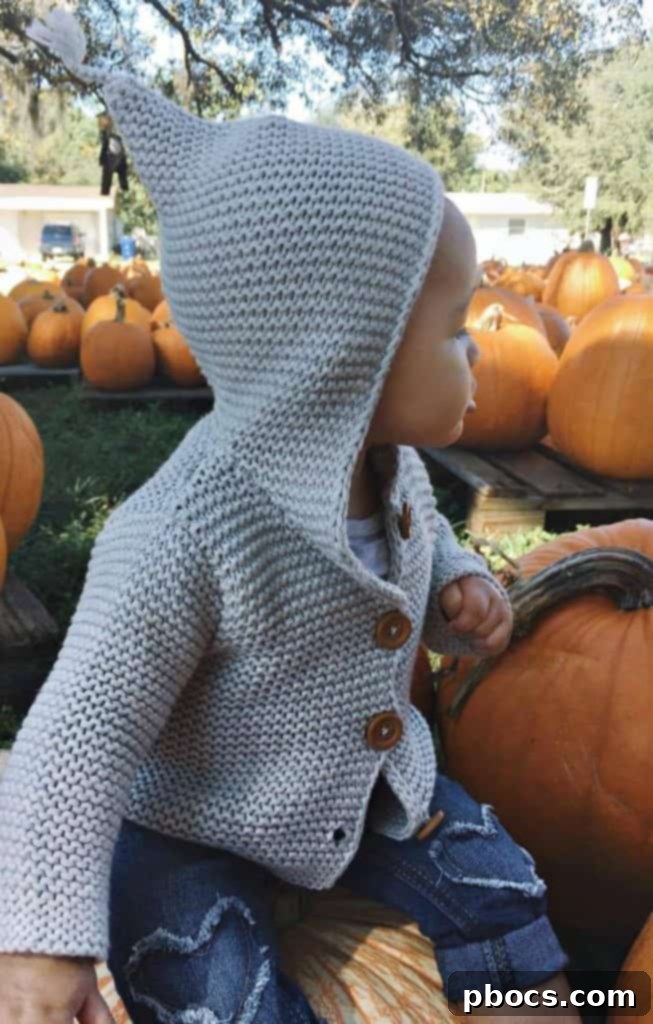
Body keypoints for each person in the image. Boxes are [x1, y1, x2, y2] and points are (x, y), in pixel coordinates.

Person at [1, 9, 581, 1024]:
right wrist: (38, 942)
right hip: (188, 821)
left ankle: (521, 993)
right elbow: (78, 732)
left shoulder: (386, 463)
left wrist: (453, 582)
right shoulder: (181, 532)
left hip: (365, 790)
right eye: (452, 330)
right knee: (211, 981)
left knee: (500, 887)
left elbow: (411, 537)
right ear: (336, 358)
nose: (481, 349)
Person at [97, 111, 129, 196]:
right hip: (113, 153)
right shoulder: (105, 133)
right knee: (108, 176)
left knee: (116, 174)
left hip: (114, 154)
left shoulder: (114, 130)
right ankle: (106, 192)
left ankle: (122, 189)